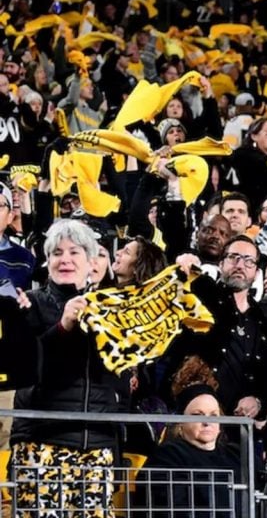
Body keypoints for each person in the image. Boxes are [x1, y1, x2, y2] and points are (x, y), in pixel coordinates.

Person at [10, 219, 124, 515]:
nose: (65, 260)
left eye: (75, 252)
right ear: (47, 263)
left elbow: (122, 382)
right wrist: (63, 326)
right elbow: (25, 370)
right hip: (42, 444)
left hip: (97, 448)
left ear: (92, 262)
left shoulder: (110, 309)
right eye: (56, 253)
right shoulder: (28, 305)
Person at [172, 236, 267, 421]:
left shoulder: (266, 325)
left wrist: (258, 401)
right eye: (233, 257)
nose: (240, 265)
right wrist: (186, 262)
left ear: (256, 272)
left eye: (248, 261)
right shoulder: (204, 296)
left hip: (241, 428)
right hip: (194, 417)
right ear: (221, 263)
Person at [137, 357, 242, 517]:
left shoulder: (237, 455)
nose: (207, 422)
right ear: (181, 423)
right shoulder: (166, 458)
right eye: (197, 414)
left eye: (213, 415)